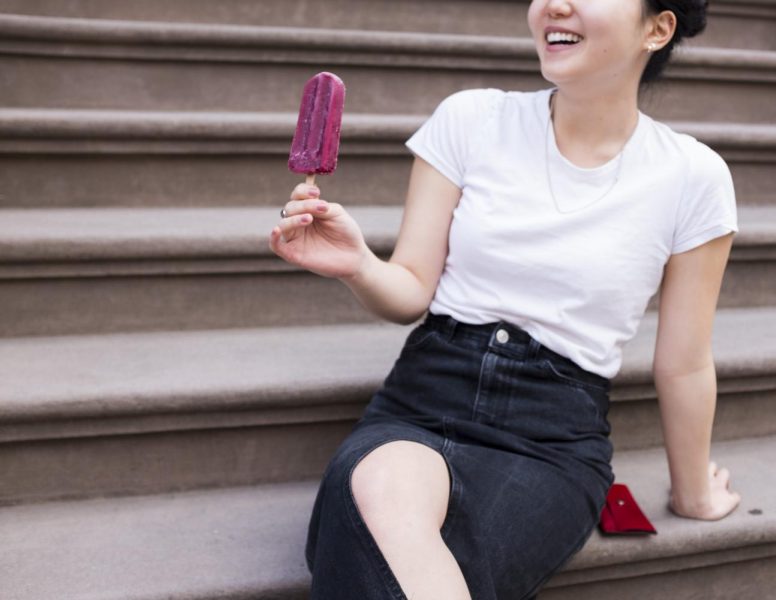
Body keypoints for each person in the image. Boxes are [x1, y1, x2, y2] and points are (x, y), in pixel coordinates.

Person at [269, 0, 742, 597]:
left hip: (550, 438)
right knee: (377, 486)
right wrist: (360, 265)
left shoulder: (693, 176)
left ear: (658, 27)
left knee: (390, 554)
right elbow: (411, 288)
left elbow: (685, 361)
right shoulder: (470, 119)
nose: (554, 5)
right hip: (425, 394)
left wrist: (694, 490)